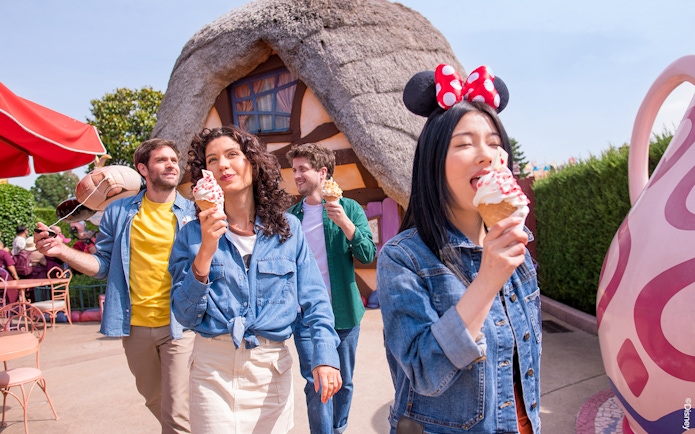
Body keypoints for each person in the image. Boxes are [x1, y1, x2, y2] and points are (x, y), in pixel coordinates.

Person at [376, 66, 541, 433]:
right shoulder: (403, 259)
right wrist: (487, 279)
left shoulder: (520, 253)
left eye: (495, 143)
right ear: (434, 162)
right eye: (465, 144)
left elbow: (525, 372)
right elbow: (424, 373)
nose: (486, 155)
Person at [169, 125, 342, 434]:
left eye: (232, 155)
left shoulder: (289, 230)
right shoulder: (191, 234)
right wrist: (205, 251)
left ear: (253, 162)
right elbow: (183, 314)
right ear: (204, 173)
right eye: (212, 159)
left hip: (269, 369)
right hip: (213, 370)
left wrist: (325, 356)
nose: (222, 164)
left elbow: (315, 301)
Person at [35, 138, 196, 434]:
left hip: (179, 325)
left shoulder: (194, 213)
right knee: (154, 399)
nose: (172, 164)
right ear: (142, 169)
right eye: (162, 160)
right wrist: (61, 251)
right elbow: (103, 265)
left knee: (177, 410)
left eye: (174, 159)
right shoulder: (119, 212)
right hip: (132, 326)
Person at [286, 143, 376, 434]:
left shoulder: (349, 207)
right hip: (307, 317)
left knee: (344, 382)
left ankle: (338, 429)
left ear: (322, 172)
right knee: (317, 385)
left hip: (344, 312)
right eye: (294, 169)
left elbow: (367, 255)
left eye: (303, 169)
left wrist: (346, 224)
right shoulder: (291, 218)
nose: (296, 175)